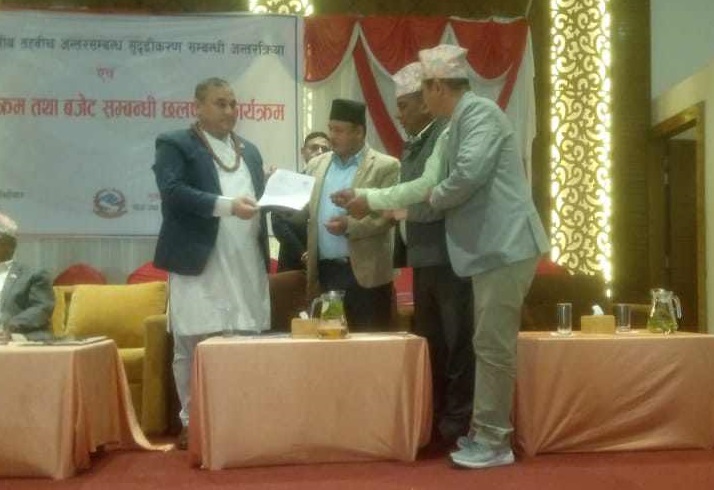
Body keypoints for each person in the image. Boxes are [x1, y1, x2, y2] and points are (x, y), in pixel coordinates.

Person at [336, 45, 550, 469]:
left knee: (492, 346)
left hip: (505, 246)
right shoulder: (452, 127)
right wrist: (367, 197)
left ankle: (494, 440)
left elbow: (466, 176)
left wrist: (429, 200)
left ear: (437, 87)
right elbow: (424, 184)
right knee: (485, 344)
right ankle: (485, 431)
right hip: (487, 251)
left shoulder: (481, 114)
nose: (418, 101)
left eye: (422, 91)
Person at [152, 77, 270, 449]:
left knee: (243, 338)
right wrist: (227, 206)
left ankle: (239, 418)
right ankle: (193, 422)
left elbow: (259, 200)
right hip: (199, 259)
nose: (230, 111)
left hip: (244, 258)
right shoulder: (176, 143)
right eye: (220, 103)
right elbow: (172, 192)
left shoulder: (250, 150)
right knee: (192, 341)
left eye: (233, 104)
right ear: (198, 107)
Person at [303, 98, 399, 330]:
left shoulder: (386, 166)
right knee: (330, 341)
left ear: (359, 132)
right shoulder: (316, 165)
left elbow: (388, 217)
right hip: (326, 274)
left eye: (339, 130)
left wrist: (350, 226)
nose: (332, 136)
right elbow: (307, 210)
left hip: (366, 275)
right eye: (330, 129)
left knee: (369, 343)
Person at [271, 131, 331, 272]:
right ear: (303, 152)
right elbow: (279, 224)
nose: (320, 152)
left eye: (325, 149)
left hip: (327, 264)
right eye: (314, 148)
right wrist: (303, 253)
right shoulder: (289, 184)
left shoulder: (337, 186)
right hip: (293, 261)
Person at [0, 212, 55, 341]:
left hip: (16, 336)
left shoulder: (34, 275)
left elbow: (41, 309)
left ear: (10, 244)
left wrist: (9, 327)